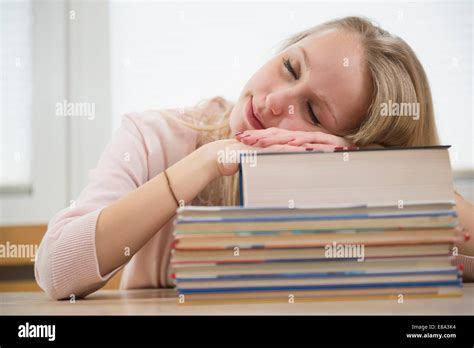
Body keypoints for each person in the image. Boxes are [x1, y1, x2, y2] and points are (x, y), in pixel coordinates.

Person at [35, 16, 474, 300]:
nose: (274, 102)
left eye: (314, 112)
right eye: (290, 68)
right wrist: (206, 162)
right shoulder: (154, 136)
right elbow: (56, 271)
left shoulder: (356, 189)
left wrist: (368, 172)